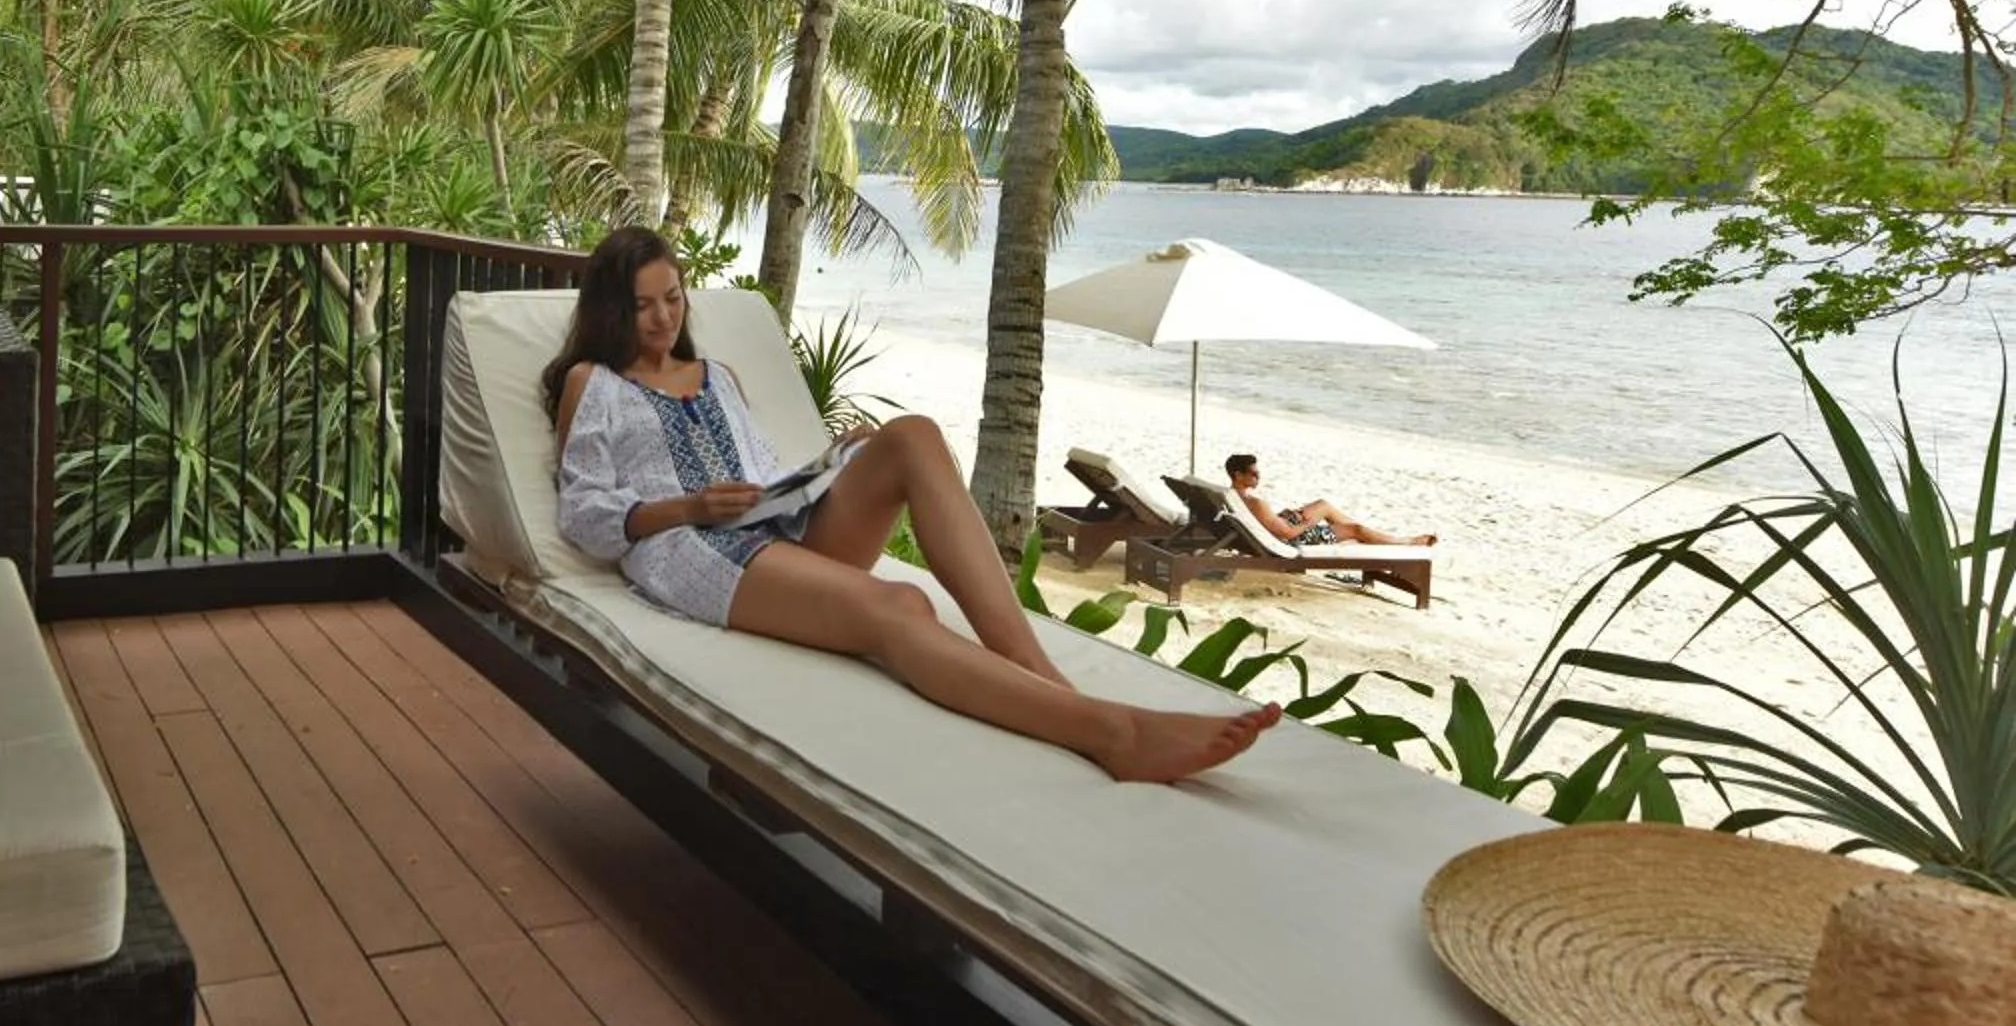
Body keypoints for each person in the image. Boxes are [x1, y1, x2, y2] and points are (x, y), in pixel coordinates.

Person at [546, 226, 1279, 783]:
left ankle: (1039, 676)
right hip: (697, 550)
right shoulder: (595, 383)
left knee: (911, 437)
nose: (662, 319)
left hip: (776, 527)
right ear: (613, 310)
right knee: (900, 606)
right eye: (642, 306)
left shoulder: (718, 374)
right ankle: (1109, 733)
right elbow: (584, 516)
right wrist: (686, 508)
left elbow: (764, 477)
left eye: (672, 298)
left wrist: (831, 464)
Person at [1222, 453, 1435, 548]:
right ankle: (1404, 542)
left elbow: (1269, 524)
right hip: (1294, 538)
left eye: (1258, 473)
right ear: (1238, 475)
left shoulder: (1233, 496)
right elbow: (1285, 534)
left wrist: (1288, 516)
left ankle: (1363, 536)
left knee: (1324, 505)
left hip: (1281, 528)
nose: (1258, 477)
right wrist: (1308, 523)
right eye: (1253, 474)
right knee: (1356, 529)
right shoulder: (1256, 502)